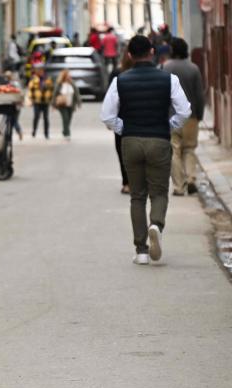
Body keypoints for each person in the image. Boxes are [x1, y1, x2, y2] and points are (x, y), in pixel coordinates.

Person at [100, 35, 191, 265]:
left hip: (130, 142)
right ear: (152, 52)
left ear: (129, 55)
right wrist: (169, 126)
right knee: (159, 192)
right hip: (159, 140)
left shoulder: (120, 81)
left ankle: (141, 251)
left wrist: (124, 128)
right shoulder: (168, 79)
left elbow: (107, 116)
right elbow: (184, 111)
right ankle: (156, 225)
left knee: (137, 196)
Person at [163, 37, 205, 196]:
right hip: (191, 116)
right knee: (189, 149)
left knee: (175, 151)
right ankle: (192, 178)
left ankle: (179, 187)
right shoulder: (193, 68)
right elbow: (199, 95)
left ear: (172, 50)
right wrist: (199, 115)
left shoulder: (166, 68)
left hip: (172, 116)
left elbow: (162, 93)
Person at [109, 50, 135, 194]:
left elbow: (110, 99)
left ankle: (127, 182)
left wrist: (112, 121)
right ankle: (136, 181)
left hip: (121, 120)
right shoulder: (143, 74)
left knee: (122, 153)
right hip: (139, 120)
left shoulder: (117, 74)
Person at [52, 69, 81, 140]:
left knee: (69, 119)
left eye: (69, 75)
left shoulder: (72, 83)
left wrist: (79, 103)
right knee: (65, 118)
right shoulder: (59, 84)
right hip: (62, 105)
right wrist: (53, 105)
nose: (69, 76)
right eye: (67, 75)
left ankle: (65, 131)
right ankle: (67, 134)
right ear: (64, 76)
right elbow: (55, 94)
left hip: (70, 104)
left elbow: (76, 94)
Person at [28, 64, 54, 139]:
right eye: (39, 70)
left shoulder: (48, 79)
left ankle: (46, 133)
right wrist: (31, 99)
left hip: (45, 101)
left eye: (41, 70)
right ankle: (34, 130)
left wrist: (51, 99)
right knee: (36, 116)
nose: (40, 71)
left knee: (46, 118)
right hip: (37, 101)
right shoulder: (34, 79)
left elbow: (51, 89)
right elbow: (31, 89)